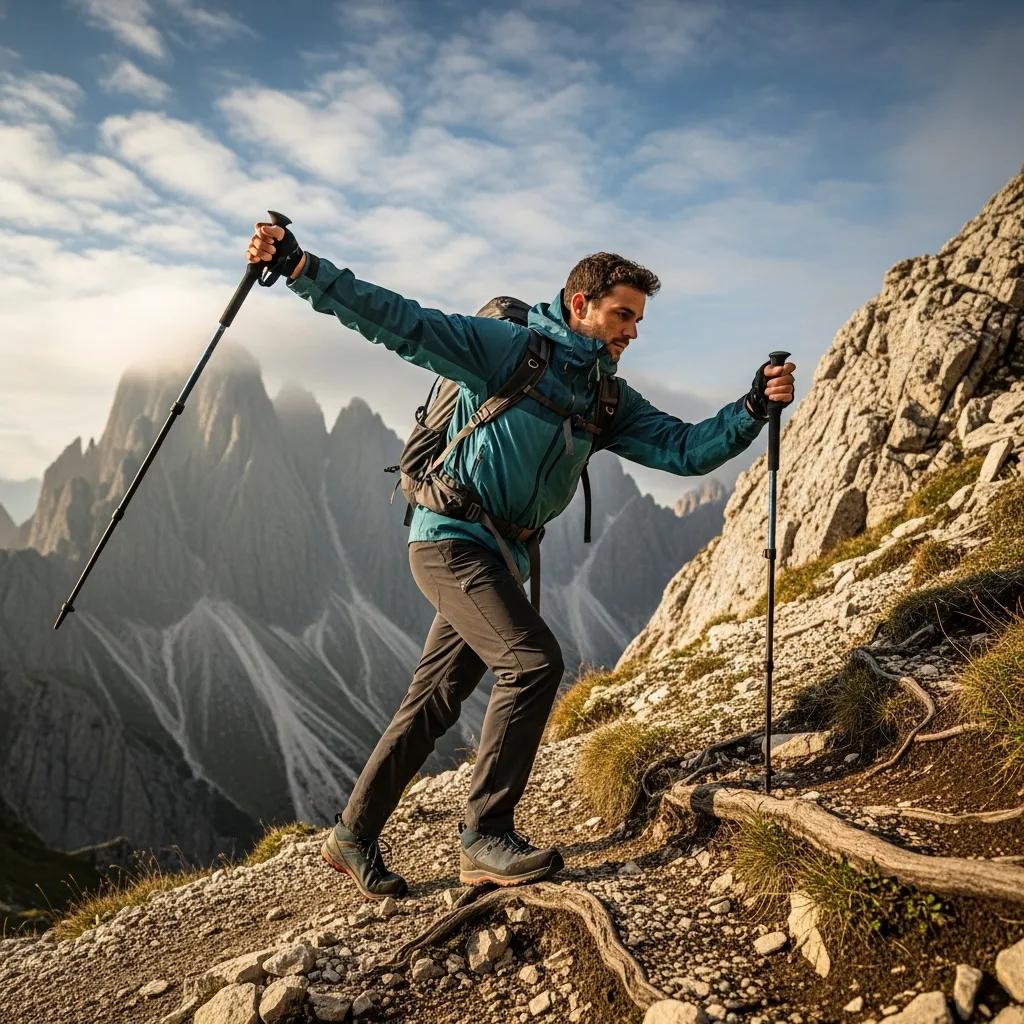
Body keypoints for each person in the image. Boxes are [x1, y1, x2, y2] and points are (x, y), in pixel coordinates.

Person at [246, 222, 796, 900]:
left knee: (435, 699)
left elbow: (683, 450)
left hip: (499, 559)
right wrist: (303, 268)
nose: (632, 332)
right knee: (533, 662)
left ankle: (351, 836)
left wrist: (748, 408)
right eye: (622, 314)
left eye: (638, 320)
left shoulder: (605, 398)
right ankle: (483, 836)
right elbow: (402, 323)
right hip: (448, 539)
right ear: (578, 305)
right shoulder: (510, 350)